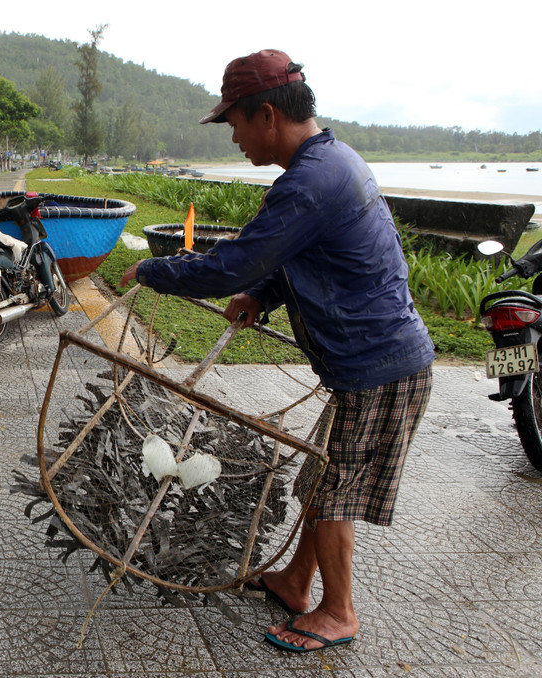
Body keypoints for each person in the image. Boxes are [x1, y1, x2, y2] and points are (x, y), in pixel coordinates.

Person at [119, 49, 435, 653]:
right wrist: (261, 295)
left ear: (267, 115)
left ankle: (338, 613)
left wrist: (154, 270)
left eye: (234, 123)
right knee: (321, 480)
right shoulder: (327, 165)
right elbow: (296, 254)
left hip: (379, 366)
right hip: (367, 365)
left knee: (333, 490)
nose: (234, 137)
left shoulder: (311, 181)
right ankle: (295, 581)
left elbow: (231, 262)